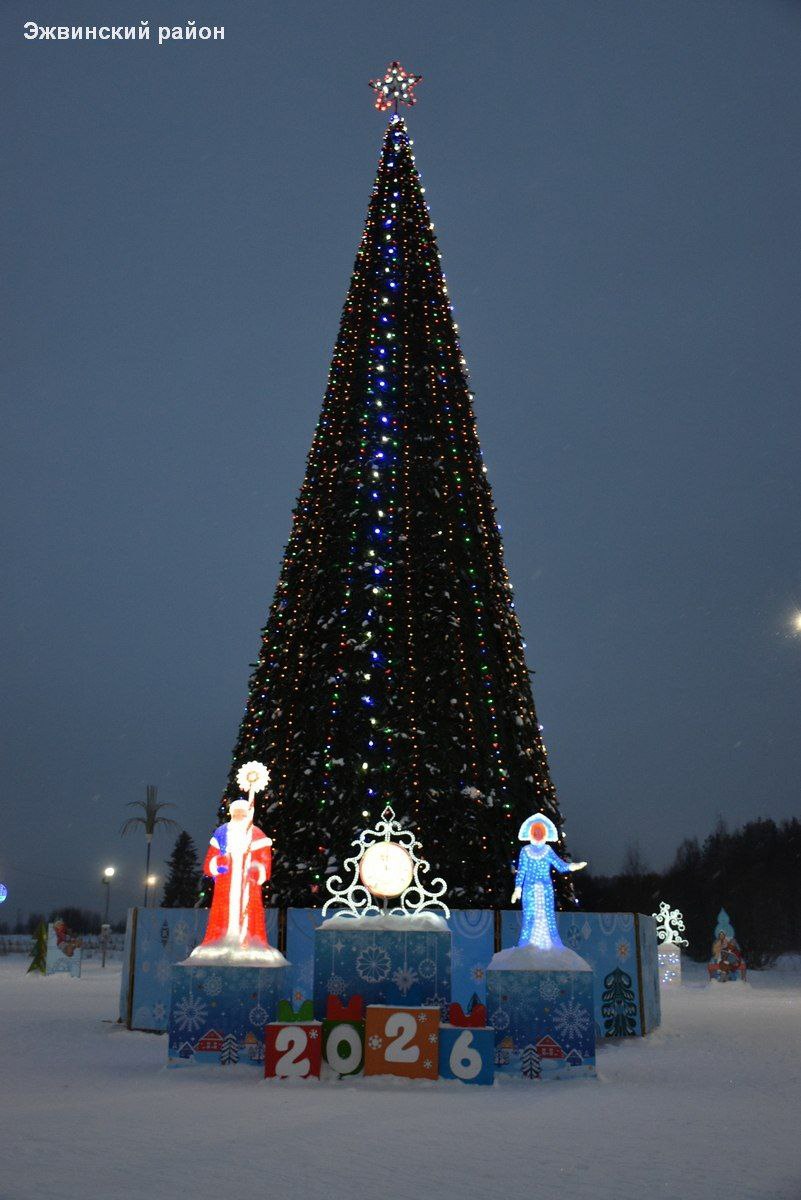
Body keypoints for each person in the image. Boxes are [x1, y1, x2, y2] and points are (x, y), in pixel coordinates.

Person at [190, 797, 282, 964]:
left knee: (249, 913)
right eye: (236, 813)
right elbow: (210, 860)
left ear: (248, 814)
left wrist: (256, 868)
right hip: (226, 884)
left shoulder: (256, 834)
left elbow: (264, 859)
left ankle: (250, 940)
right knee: (222, 913)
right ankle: (220, 939)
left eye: (242, 813)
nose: (239, 816)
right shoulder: (221, 833)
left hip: (247, 884)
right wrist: (218, 863)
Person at [511, 813, 586, 950]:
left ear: (545, 834)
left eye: (540, 832)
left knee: (548, 917)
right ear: (531, 833)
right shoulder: (525, 851)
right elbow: (521, 871)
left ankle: (551, 946)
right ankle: (526, 946)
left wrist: (572, 866)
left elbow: (560, 865)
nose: (538, 834)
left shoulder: (547, 850)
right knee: (529, 917)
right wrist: (518, 888)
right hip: (529, 890)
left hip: (545, 889)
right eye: (535, 832)